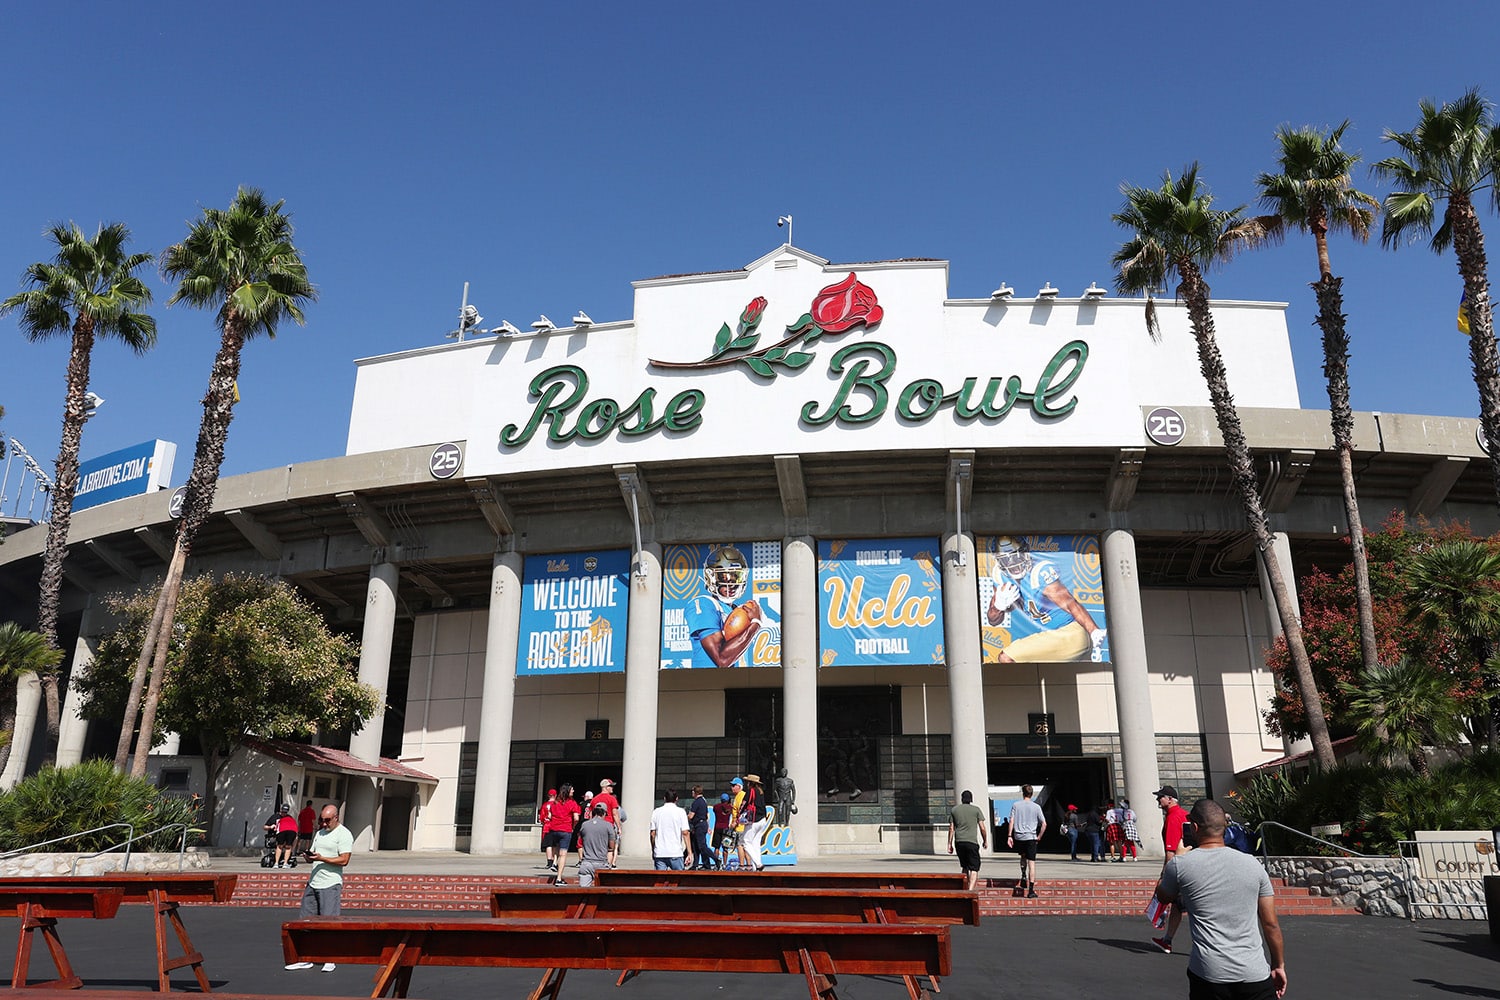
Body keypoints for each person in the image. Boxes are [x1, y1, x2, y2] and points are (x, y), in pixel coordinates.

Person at [1155, 799, 1287, 999]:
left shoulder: (1180, 865)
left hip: (1209, 974)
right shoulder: (1253, 864)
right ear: (1225, 827)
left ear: (1195, 827)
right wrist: (1278, 965)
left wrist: (1175, 859)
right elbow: (1270, 924)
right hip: (1254, 973)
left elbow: (1163, 896)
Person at [986, 535, 1107, 662]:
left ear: (1025, 552)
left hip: (1070, 633)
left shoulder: (1038, 573)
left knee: (1006, 657)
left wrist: (1093, 630)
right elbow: (993, 620)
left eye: (1016, 556)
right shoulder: (1000, 576)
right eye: (1006, 560)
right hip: (1052, 636)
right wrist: (998, 606)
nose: (1013, 564)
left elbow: (1070, 604)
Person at [284, 805, 353, 972]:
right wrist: (309, 857)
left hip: (330, 883)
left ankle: (330, 958)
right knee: (306, 921)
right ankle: (306, 957)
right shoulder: (320, 833)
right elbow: (314, 856)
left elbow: (344, 860)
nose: (323, 823)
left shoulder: (344, 834)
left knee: (329, 922)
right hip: (313, 882)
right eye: (322, 820)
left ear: (336, 817)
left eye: (327, 820)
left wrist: (322, 858)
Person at [688, 545, 776, 667]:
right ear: (711, 577)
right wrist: (755, 624)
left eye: (736, 576)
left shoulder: (737, 610)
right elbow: (722, 660)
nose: (732, 584)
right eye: (723, 577)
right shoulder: (704, 603)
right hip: (708, 681)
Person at [1152, 785, 1194, 954]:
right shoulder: (1185, 814)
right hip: (1191, 864)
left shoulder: (1172, 817)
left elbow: (1171, 851)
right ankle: (1167, 940)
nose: (1158, 800)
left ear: (1170, 799)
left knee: (1192, 907)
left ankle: (1210, 945)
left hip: (1180, 868)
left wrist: (1164, 876)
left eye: (1160, 797)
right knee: (1177, 905)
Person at [1007, 783, 1046, 898]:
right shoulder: (1036, 807)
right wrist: (1039, 836)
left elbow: (1011, 821)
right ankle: (1031, 890)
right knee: (1032, 863)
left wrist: (1009, 835)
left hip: (1019, 836)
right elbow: (1044, 824)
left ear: (1023, 793)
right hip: (1031, 837)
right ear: (1031, 793)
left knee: (1023, 856)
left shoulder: (1016, 805)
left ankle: (1023, 874)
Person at [947, 789, 989, 891]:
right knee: (974, 868)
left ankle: (964, 888)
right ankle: (970, 890)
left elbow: (951, 828)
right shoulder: (976, 810)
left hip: (959, 842)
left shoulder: (954, 810)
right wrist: (985, 840)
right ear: (971, 799)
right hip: (972, 842)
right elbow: (982, 827)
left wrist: (949, 844)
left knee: (964, 866)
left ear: (962, 799)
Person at [575, 802, 617, 887]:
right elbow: (611, 846)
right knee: (603, 892)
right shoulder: (608, 826)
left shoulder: (585, 825)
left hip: (586, 863)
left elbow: (580, 840)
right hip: (601, 863)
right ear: (604, 813)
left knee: (584, 892)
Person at [544, 784, 581, 878]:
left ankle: (555, 863)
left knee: (556, 846)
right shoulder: (572, 803)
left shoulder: (555, 803)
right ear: (568, 791)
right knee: (563, 854)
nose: (573, 791)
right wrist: (573, 826)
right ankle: (559, 877)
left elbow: (549, 816)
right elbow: (576, 818)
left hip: (554, 829)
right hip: (566, 829)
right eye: (572, 789)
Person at [650, 789, 692, 870]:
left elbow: (652, 833)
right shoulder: (681, 812)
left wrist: (653, 849)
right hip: (675, 852)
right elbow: (685, 833)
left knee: (660, 881)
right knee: (679, 880)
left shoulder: (656, 812)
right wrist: (689, 852)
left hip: (660, 852)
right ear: (676, 799)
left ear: (664, 798)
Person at [738, 774, 771, 871]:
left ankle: (758, 864)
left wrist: (739, 815)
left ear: (750, 783)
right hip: (762, 820)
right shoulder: (760, 792)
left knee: (746, 842)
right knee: (755, 843)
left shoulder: (750, 791)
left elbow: (744, 804)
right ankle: (755, 866)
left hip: (754, 820)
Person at [593, 779, 621, 867]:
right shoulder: (612, 799)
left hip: (596, 826)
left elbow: (591, 815)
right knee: (609, 849)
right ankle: (607, 867)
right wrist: (619, 827)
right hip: (608, 826)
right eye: (611, 786)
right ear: (606, 787)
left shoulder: (594, 799)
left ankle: (598, 865)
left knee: (598, 847)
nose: (612, 788)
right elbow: (615, 814)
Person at [687, 785, 714, 869]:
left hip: (699, 825)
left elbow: (691, 816)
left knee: (702, 846)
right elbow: (707, 815)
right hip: (702, 824)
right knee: (696, 846)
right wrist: (708, 826)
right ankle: (696, 864)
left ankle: (715, 859)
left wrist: (684, 818)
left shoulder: (696, 802)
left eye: (692, 792)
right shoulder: (704, 801)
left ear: (695, 792)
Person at [264, 803, 298, 869]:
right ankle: (277, 863)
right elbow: (265, 827)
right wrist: (271, 827)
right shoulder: (275, 817)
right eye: (283, 811)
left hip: (286, 834)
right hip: (274, 836)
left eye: (285, 812)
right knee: (281, 845)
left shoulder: (289, 817)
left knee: (289, 845)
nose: (284, 813)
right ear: (281, 810)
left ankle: (286, 860)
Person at [712, 792, 735, 869]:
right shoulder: (730, 808)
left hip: (717, 827)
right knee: (725, 848)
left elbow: (715, 810)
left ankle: (716, 864)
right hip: (726, 828)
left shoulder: (716, 807)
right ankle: (724, 864)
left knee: (716, 847)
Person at [538, 788, 559, 867]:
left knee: (548, 845)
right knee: (555, 844)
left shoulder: (545, 805)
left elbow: (542, 818)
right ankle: (554, 861)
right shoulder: (557, 804)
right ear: (555, 795)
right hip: (555, 826)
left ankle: (549, 861)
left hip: (547, 826)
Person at [1105, 798, 1124, 863]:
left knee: (1111, 843)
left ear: (1109, 806)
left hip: (1111, 825)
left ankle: (1113, 857)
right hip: (1118, 825)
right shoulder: (1119, 811)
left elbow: (1107, 819)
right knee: (1119, 842)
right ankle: (1122, 856)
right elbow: (1122, 820)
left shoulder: (1109, 811)